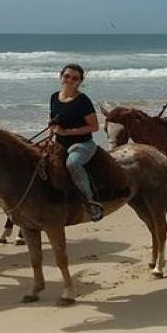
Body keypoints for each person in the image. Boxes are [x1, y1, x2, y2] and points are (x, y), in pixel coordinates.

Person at [49, 64, 104, 222]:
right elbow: (53, 123)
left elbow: (94, 127)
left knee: (72, 164)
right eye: (67, 76)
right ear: (61, 77)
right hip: (60, 144)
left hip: (82, 145)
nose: (70, 80)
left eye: (75, 78)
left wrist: (66, 132)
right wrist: (50, 139)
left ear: (79, 82)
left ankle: (90, 201)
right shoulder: (54, 97)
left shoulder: (82, 101)